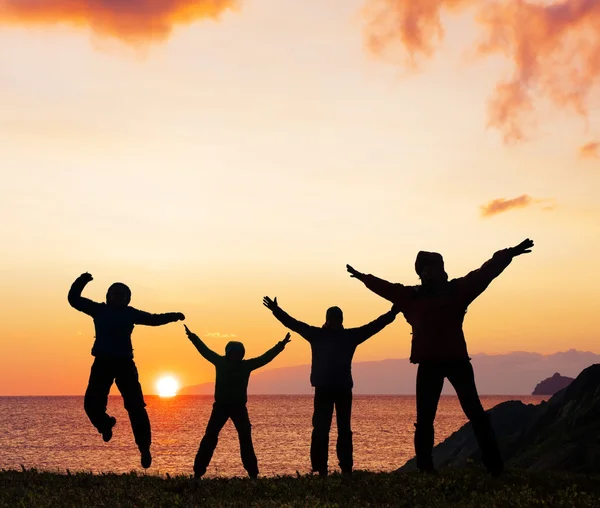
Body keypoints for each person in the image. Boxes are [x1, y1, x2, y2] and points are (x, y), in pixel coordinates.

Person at [346, 238, 534, 476]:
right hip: (429, 364)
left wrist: (509, 253)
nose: (432, 272)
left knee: (475, 414)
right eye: (427, 268)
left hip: (456, 361)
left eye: (436, 267)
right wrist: (363, 277)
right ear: (421, 273)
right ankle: (426, 469)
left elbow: (485, 273)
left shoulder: (456, 291)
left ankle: (494, 466)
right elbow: (386, 287)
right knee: (425, 420)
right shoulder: (412, 296)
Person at [263, 296, 400, 476]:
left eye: (337, 320)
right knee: (321, 429)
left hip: (342, 389)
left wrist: (392, 314)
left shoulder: (348, 336)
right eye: (333, 320)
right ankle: (321, 469)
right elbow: (294, 324)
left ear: (340, 320)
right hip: (324, 388)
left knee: (343, 429)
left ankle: (346, 468)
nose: (335, 323)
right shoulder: (319, 335)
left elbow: (374, 326)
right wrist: (276, 310)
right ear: (328, 320)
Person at [68, 272, 185, 469]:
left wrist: (173, 316)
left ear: (127, 299)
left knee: (136, 407)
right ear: (108, 296)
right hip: (102, 363)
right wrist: (82, 280)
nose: (117, 298)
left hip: (124, 365)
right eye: (114, 294)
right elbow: (74, 299)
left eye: (121, 296)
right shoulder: (98, 310)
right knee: (91, 405)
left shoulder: (130, 313)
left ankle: (144, 448)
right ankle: (105, 425)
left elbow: (153, 319)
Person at [184, 324, 291, 479]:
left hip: (239, 408)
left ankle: (253, 474)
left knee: (245, 438)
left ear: (241, 355)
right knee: (210, 437)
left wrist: (281, 345)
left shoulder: (246, 365)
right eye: (232, 354)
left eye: (238, 354)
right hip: (220, 407)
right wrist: (192, 337)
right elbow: (204, 350)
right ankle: (198, 472)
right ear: (228, 354)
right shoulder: (220, 362)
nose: (235, 357)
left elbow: (265, 358)